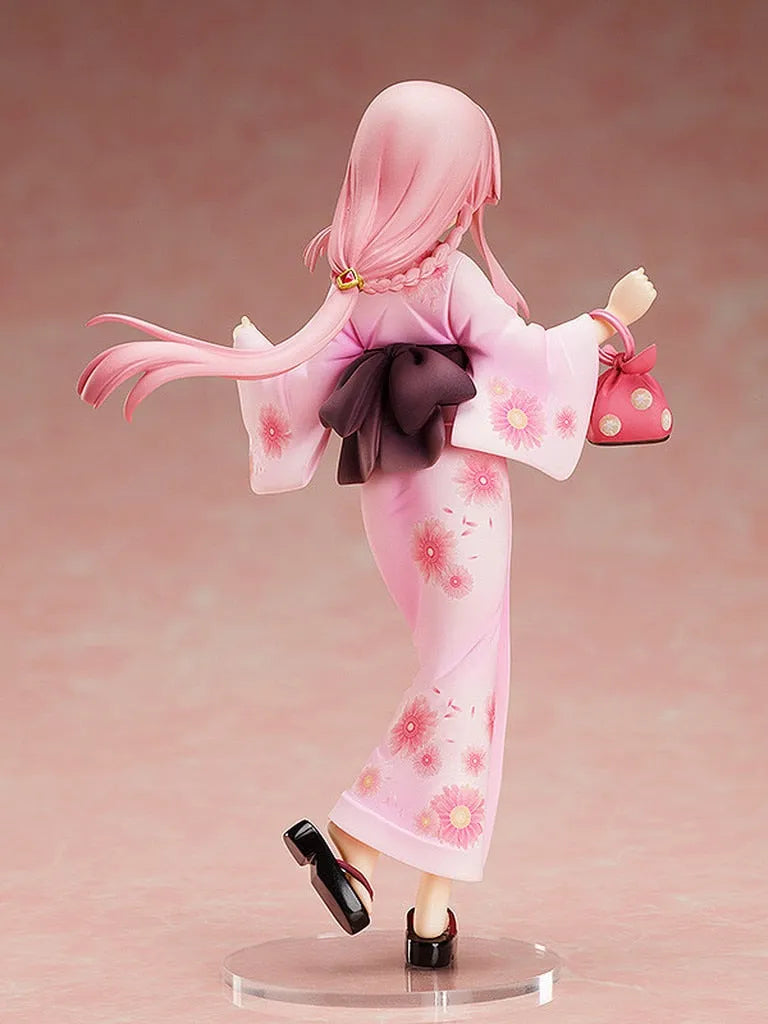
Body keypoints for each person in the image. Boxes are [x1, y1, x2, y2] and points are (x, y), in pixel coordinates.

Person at [78, 80, 657, 968]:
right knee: (467, 677)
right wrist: (612, 315)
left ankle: (429, 910)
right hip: (460, 489)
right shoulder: (450, 277)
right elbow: (532, 356)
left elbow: (306, 385)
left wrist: (255, 356)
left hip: (389, 491)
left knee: (455, 669)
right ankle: (354, 843)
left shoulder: (357, 286)